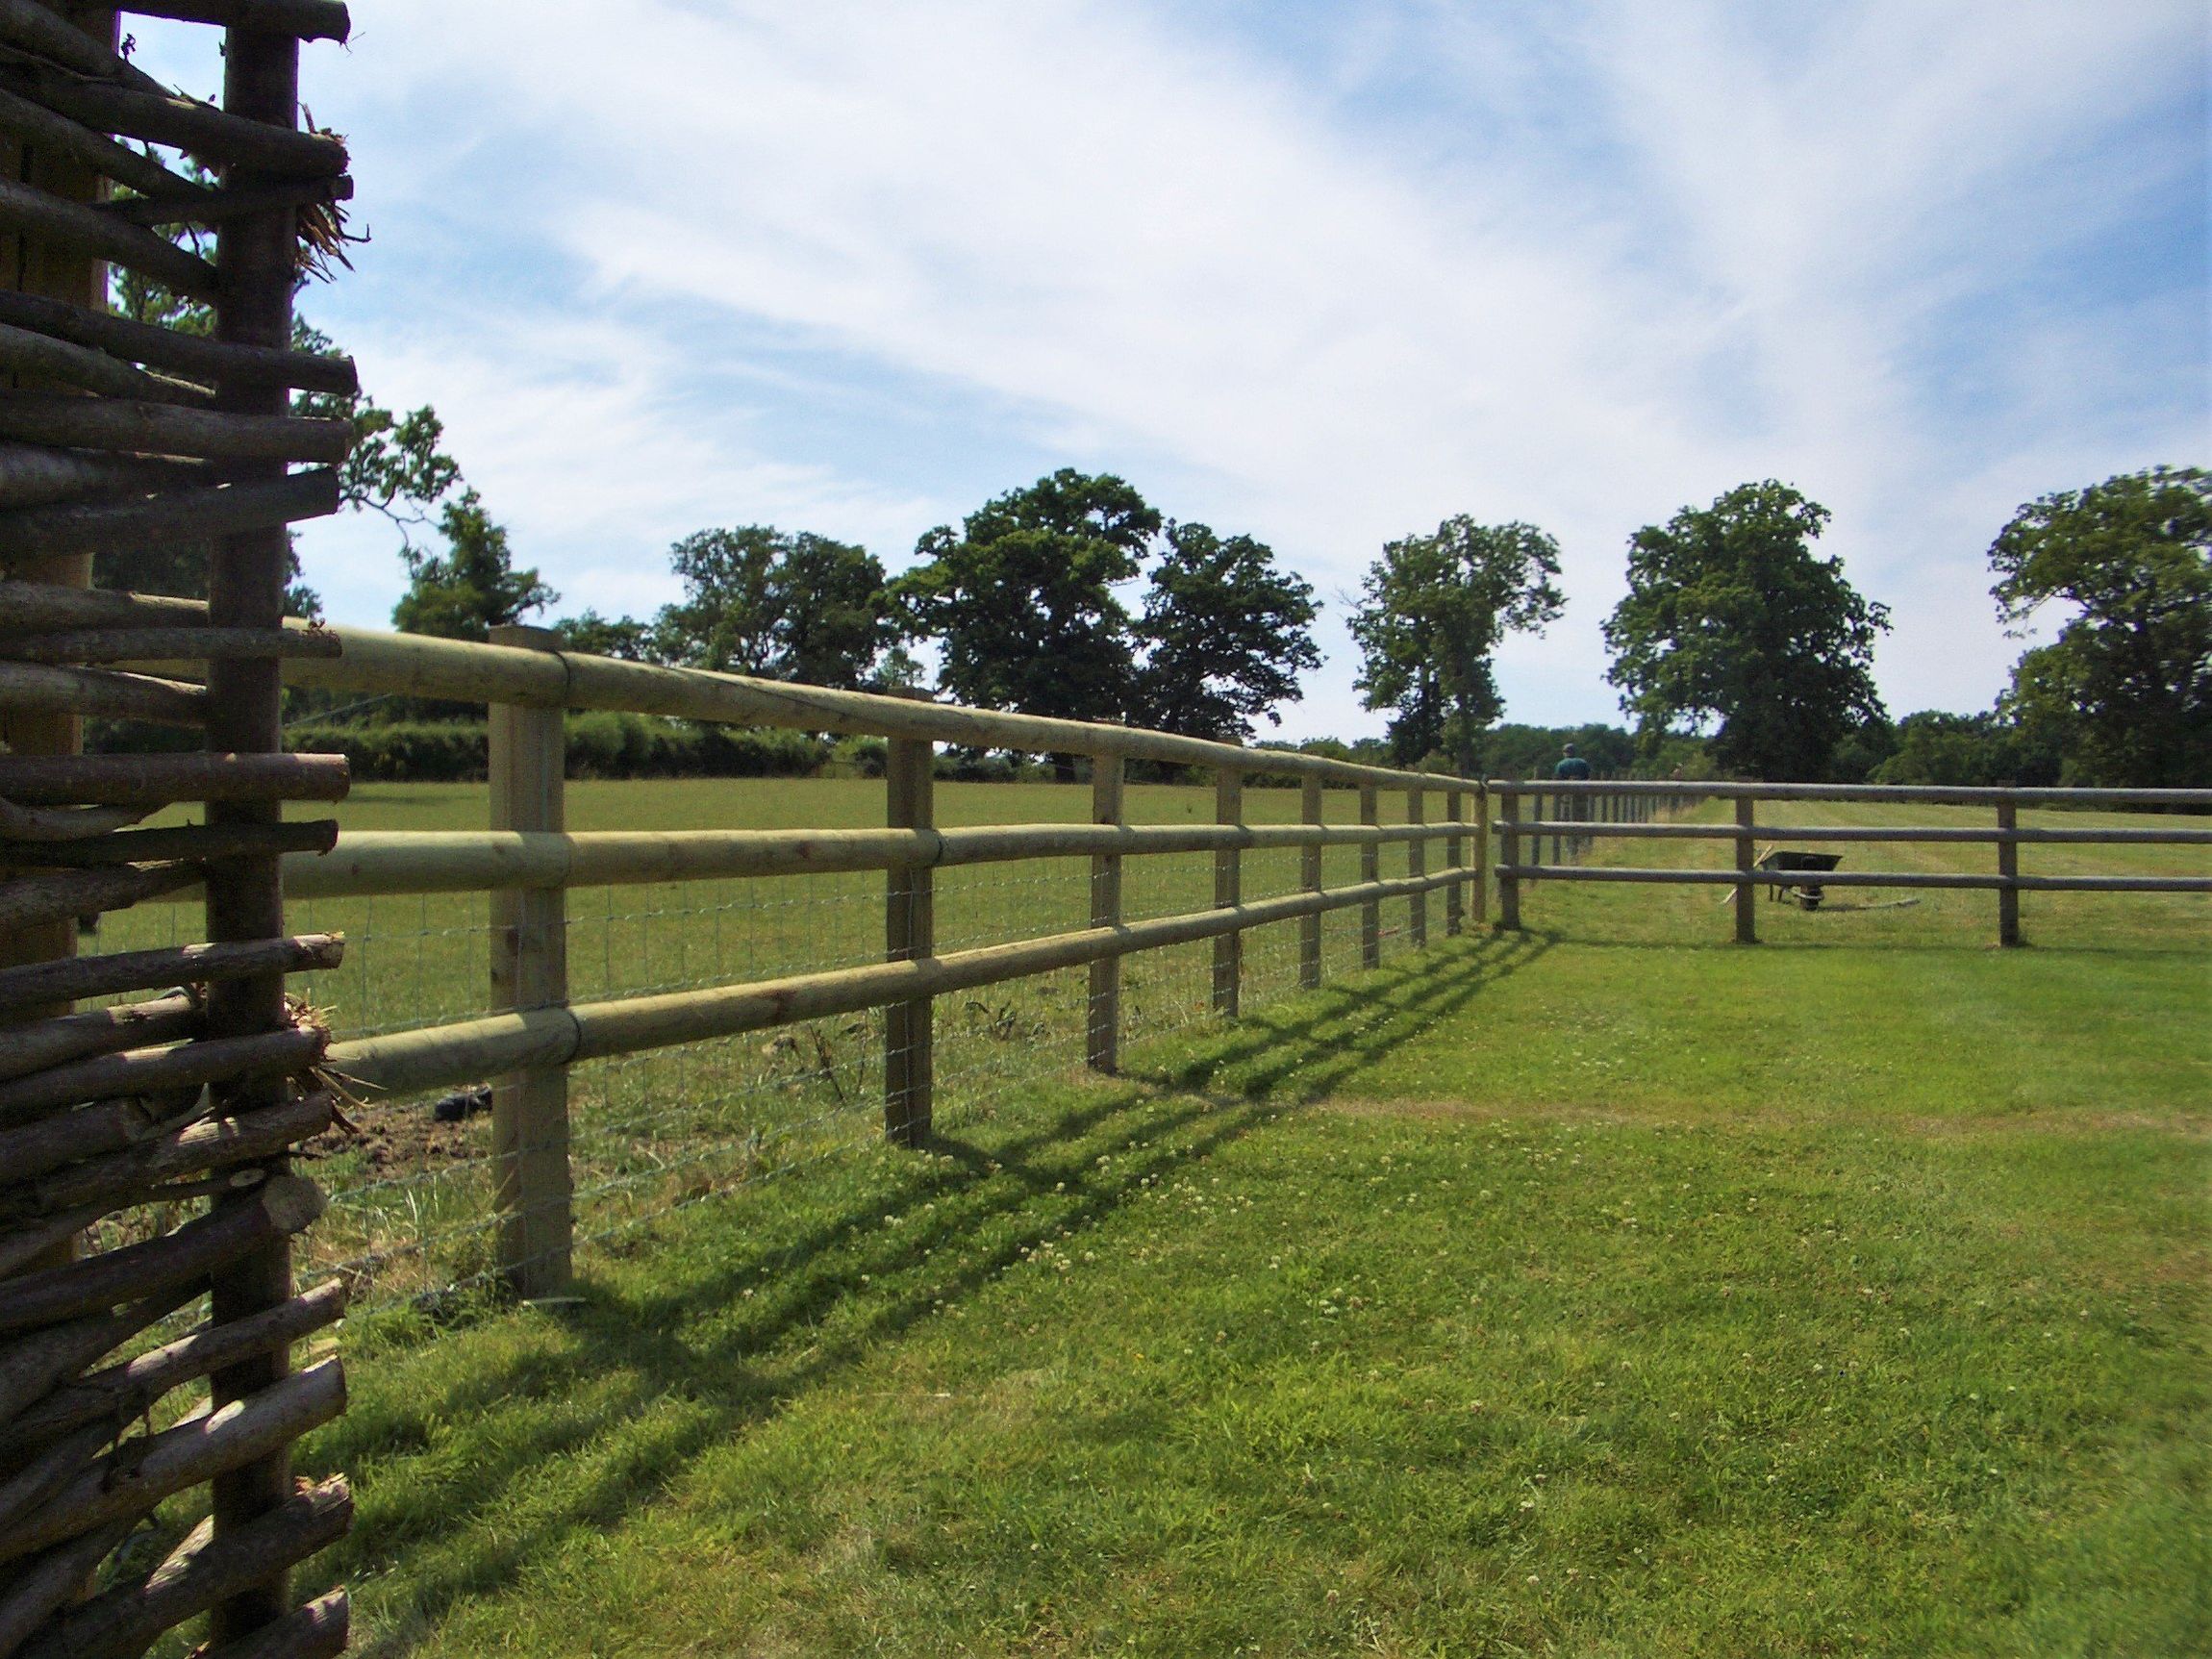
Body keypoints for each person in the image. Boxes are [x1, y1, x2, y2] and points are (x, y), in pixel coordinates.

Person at [1552, 743, 1593, 856]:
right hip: (1581, 798)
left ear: (1565, 752)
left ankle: (1571, 849)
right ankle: (1581, 846)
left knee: (1566, 823)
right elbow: (1590, 778)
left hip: (1566, 799)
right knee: (1581, 821)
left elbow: (1557, 780)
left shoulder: (1561, 764)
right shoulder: (1583, 763)